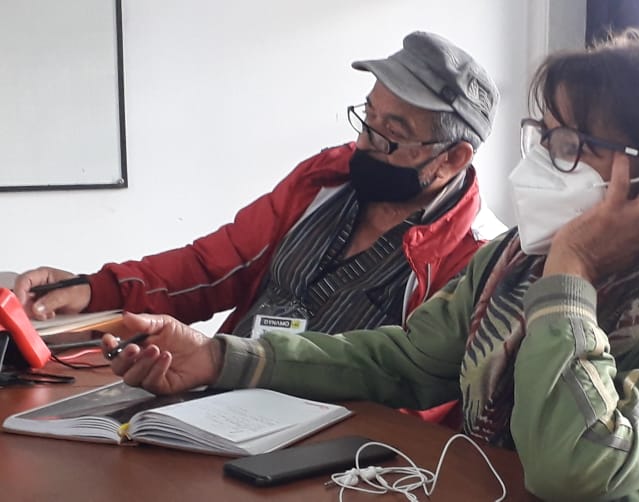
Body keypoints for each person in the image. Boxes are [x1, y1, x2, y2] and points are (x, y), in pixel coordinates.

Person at [103, 33, 639, 500]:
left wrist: (572, 272)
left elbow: (573, 468)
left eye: (570, 144)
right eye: (542, 136)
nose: (540, 160)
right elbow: (403, 360)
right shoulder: (514, 262)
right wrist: (219, 358)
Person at [15, 31, 503, 338]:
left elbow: (424, 394)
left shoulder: (478, 260)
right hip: (219, 401)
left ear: (452, 159)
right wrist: (96, 289)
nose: (363, 141)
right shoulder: (326, 179)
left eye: (389, 134)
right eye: (367, 116)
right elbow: (211, 266)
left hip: (342, 448)